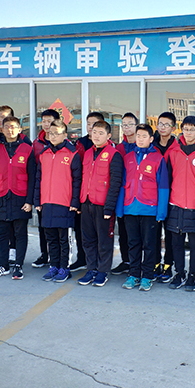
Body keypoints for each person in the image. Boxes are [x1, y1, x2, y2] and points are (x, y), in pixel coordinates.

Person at [116, 124, 169, 292]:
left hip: (150, 209)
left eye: (144, 136)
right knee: (133, 243)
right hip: (130, 208)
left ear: (151, 139)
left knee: (149, 244)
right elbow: (122, 184)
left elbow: (163, 187)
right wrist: (120, 208)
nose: (140, 139)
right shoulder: (128, 158)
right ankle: (134, 274)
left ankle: (147, 275)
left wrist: (161, 212)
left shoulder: (158, 159)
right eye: (138, 136)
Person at [0, 116, 35, 280]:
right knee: (2, 234)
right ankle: (3, 265)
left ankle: (18, 265)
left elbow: (32, 177)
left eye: (13, 127)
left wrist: (30, 201)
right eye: (7, 127)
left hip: (21, 198)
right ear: (2, 129)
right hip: (0, 197)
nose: (10, 130)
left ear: (20, 129)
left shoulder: (28, 149)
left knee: (20, 233)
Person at [166, 116, 195, 291]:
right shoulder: (174, 153)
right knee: (176, 243)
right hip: (175, 205)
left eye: (193, 129)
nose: (189, 132)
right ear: (182, 130)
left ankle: (193, 275)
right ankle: (179, 273)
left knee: (194, 244)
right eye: (186, 129)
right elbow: (167, 181)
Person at [35, 119, 82, 283]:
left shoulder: (72, 154)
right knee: (51, 239)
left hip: (65, 204)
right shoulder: (44, 154)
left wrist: (75, 202)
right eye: (50, 133)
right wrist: (37, 201)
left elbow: (77, 181)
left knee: (64, 240)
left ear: (65, 135)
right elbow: (38, 179)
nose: (53, 136)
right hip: (47, 202)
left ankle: (64, 268)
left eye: (57, 133)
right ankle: (53, 266)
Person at [77, 120, 123, 287]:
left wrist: (109, 208)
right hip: (86, 202)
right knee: (88, 240)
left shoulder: (114, 154)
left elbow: (115, 183)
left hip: (103, 205)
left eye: (101, 133)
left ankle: (102, 271)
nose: (96, 136)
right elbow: (82, 178)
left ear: (108, 136)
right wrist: (79, 202)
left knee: (104, 241)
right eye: (94, 132)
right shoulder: (88, 153)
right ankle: (91, 269)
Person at [71, 111, 106, 272]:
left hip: (99, 197)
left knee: (99, 233)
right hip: (82, 194)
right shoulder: (81, 143)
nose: (91, 127)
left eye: (95, 124)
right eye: (88, 124)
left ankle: (99, 264)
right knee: (81, 231)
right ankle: (82, 258)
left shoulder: (108, 147)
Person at [29, 108, 60, 269]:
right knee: (43, 226)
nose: (46, 124)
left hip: (59, 193)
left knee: (59, 228)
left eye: (49, 121)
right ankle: (44, 254)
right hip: (42, 191)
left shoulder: (63, 144)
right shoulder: (36, 144)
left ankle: (59, 258)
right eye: (44, 121)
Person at [152, 111, 180, 283]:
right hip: (152, 197)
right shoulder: (151, 146)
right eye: (160, 124)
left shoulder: (177, 148)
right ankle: (155, 263)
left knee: (170, 234)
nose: (162, 127)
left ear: (173, 128)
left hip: (172, 197)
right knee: (153, 233)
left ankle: (168, 265)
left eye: (166, 124)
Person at [111, 112, 138, 275]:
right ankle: (126, 261)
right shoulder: (118, 149)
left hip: (139, 196)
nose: (126, 127)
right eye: (124, 125)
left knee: (138, 234)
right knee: (123, 231)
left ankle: (139, 263)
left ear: (136, 126)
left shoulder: (142, 147)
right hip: (122, 194)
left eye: (130, 124)